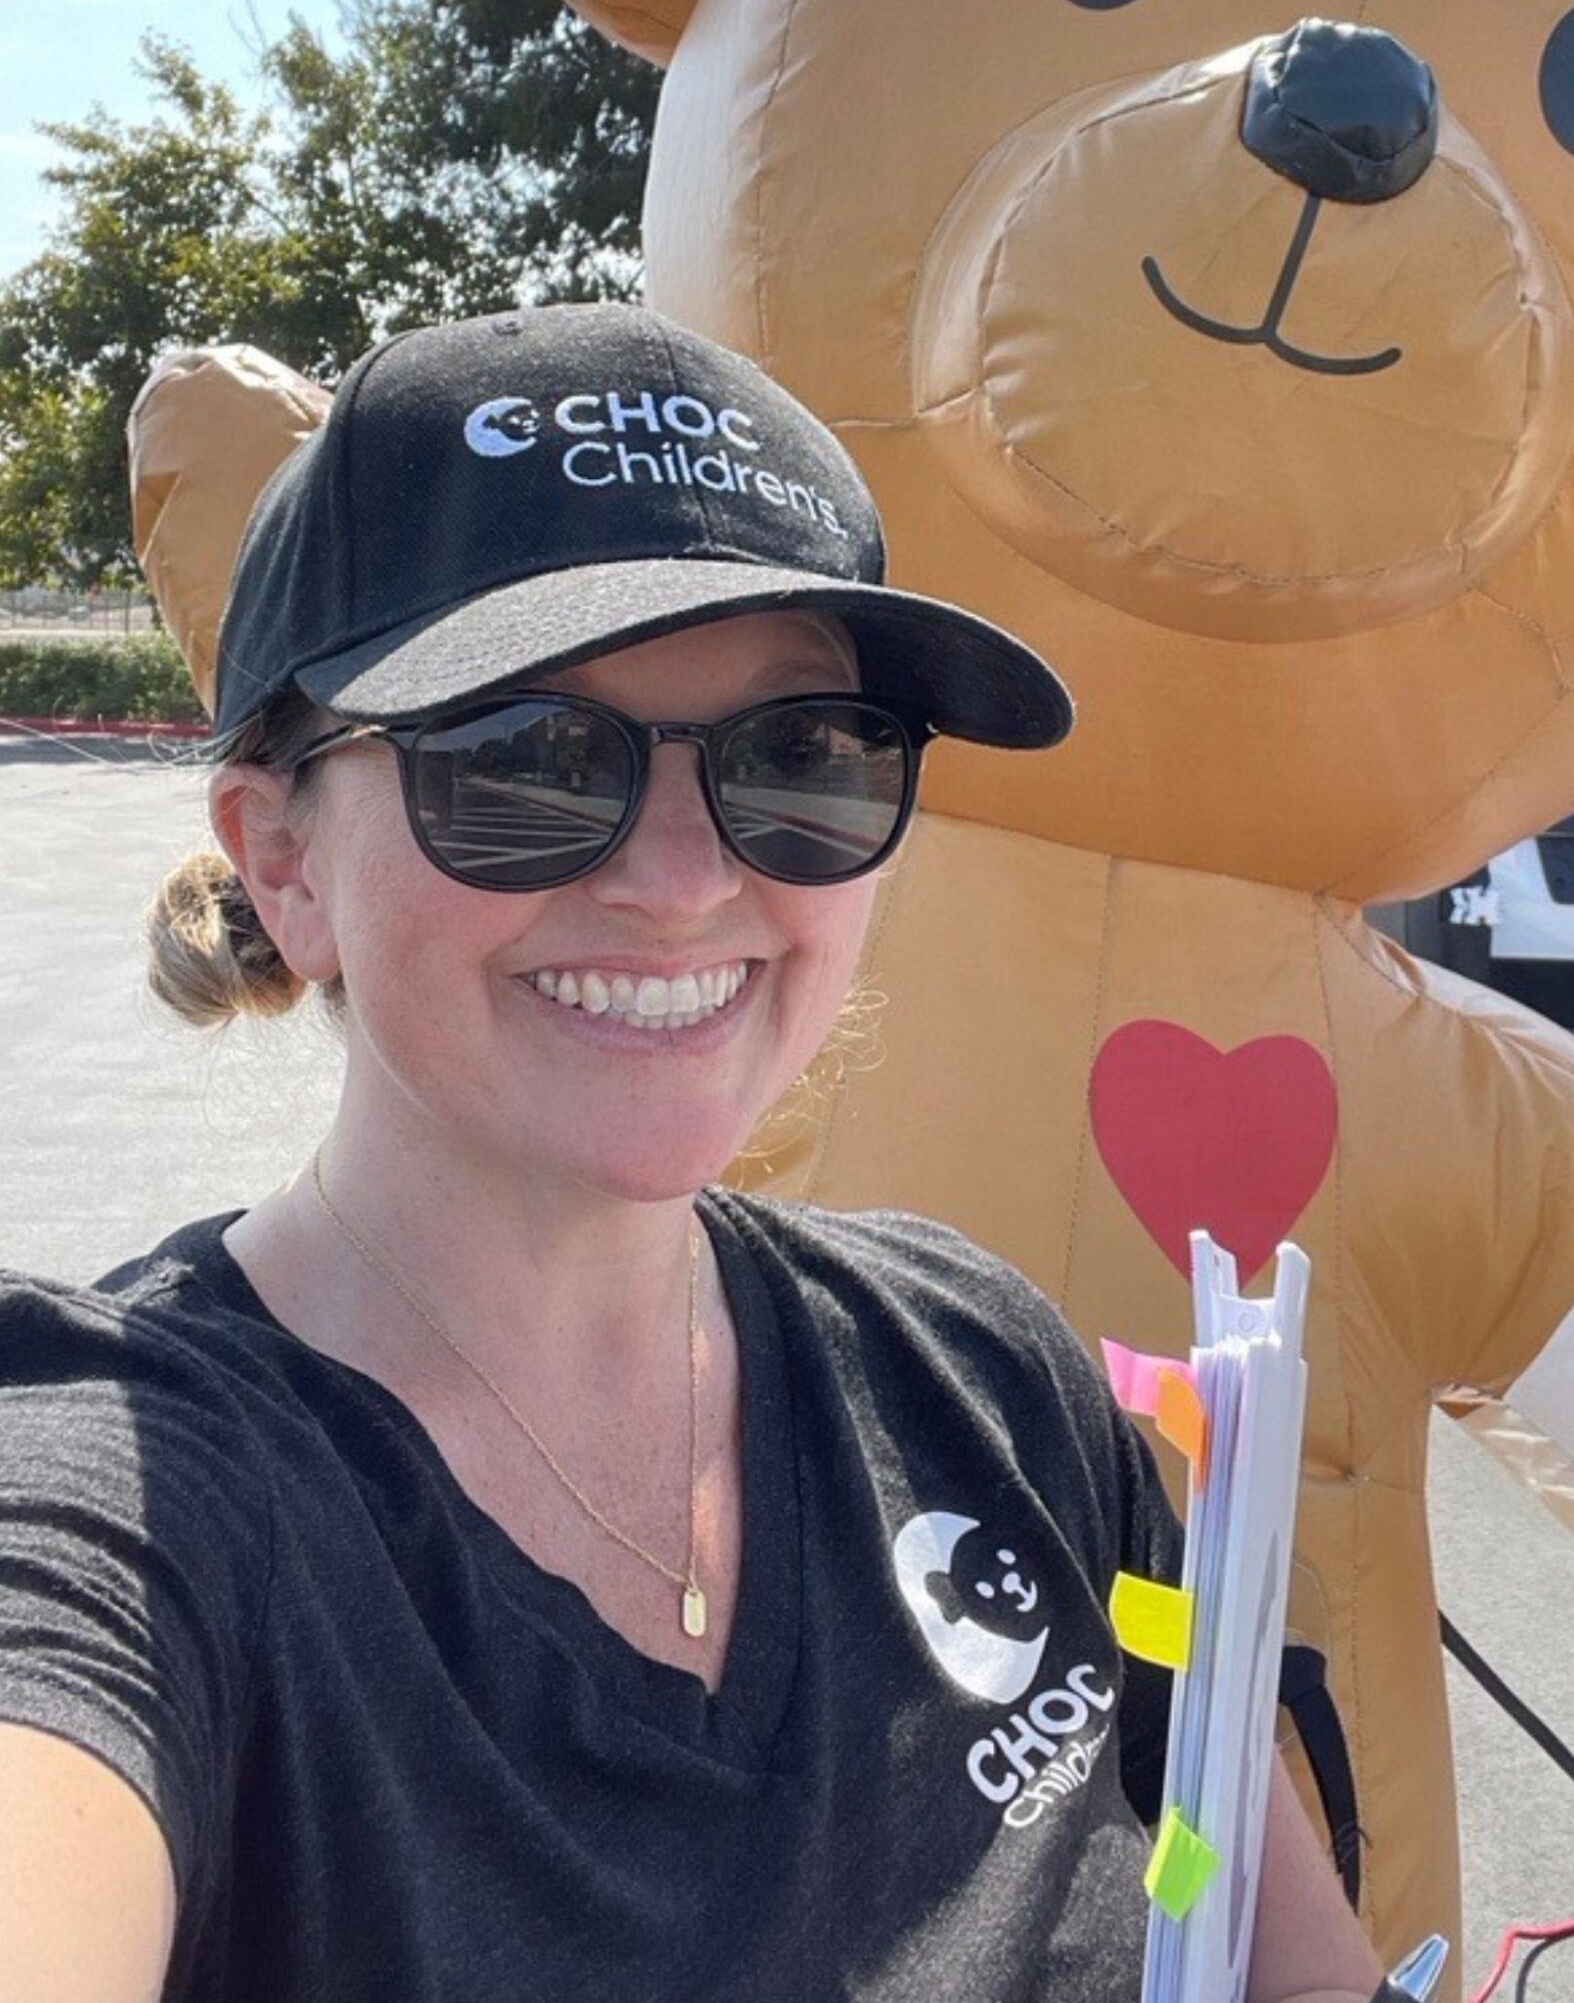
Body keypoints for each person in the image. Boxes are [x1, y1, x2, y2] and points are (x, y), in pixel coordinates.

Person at [0, 304, 1388, 2002]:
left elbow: (1279, 1950)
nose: (679, 881)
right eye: (524, 760)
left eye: (800, 756)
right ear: (281, 857)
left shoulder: (986, 1375)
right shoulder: (129, 1504)